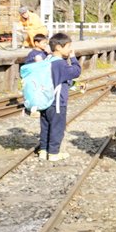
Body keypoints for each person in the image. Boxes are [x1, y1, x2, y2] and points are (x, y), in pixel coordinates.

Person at [36, 32, 82, 162]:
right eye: (68, 47)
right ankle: (54, 153)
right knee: (57, 128)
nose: (70, 50)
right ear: (58, 48)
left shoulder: (48, 60)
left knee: (45, 127)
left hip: (45, 100)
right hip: (57, 102)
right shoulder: (60, 64)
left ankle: (43, 151)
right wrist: (73, 58)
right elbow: (76, 72)